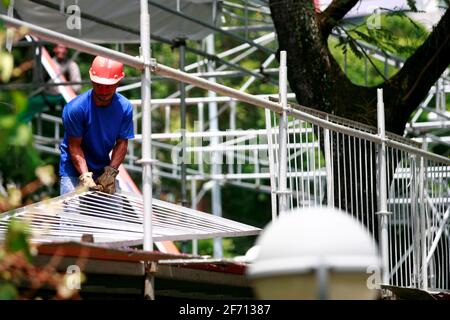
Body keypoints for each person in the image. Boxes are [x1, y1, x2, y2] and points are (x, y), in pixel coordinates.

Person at [59, 56, 134, 195]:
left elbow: (122, 143)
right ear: (92, 80)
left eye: (109, 86)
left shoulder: (124, 108)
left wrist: (110, 173)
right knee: (71, 214)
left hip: (103, 167)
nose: (103, 91)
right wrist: (85, 176)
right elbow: (74, 146)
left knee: (113, 214)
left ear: (118, 82)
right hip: (73, 170)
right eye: (98, 85)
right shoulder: (75, 109)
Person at [18, 44, 82, 123]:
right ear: (54, 49)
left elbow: (77, 86)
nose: (61, 51)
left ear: (66, 51)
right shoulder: (48, 63)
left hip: (64, 96)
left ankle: (80, 130)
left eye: (64, 48)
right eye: (59, 48)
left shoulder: (72, 65)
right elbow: (40, 81)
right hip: (48, 95)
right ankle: (18, 125)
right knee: (30, 104)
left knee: (76, 109)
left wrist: (66, 87)